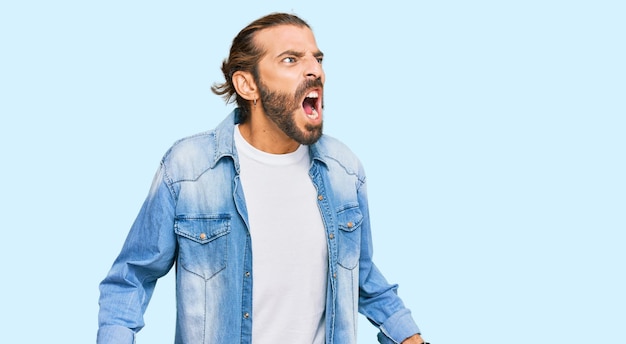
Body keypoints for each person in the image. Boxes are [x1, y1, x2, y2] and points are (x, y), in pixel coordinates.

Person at [97, 12, 427, 344]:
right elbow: (131, 278)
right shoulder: (188, 170)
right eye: (290, 59)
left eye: (318, 58)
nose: (315, 70)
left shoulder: (344, 169)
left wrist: (408, 336)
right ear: (248, 85)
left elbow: (361, 276)